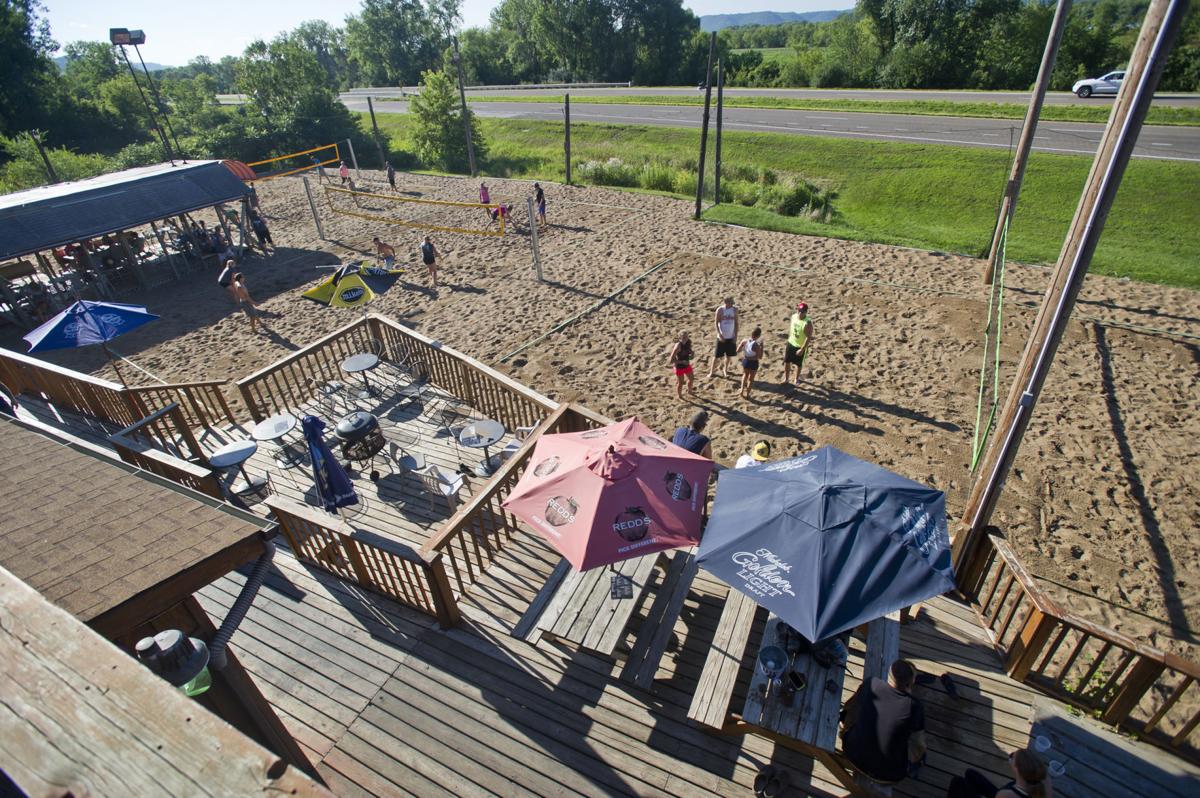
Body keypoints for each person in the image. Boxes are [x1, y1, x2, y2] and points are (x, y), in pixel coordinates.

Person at [841, 659, 927, 788]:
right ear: (910, 683)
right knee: (919, 751)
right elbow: (919, 745)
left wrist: (845, 733)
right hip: (887, 775)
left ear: (888, 676)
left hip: (851, 754)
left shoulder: (871, 684)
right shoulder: (914, 707)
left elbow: (848, 709)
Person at [947, 749, 1051, 798]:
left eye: (1012, 757)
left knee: (957, 782)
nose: (1010, 756)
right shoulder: (1042, 779)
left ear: (1016, 769)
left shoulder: (1007, 794)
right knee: (970, 774)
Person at [783, 301, 814, 387]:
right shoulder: (793, 317)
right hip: (791, 343)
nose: (800, 313)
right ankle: (786, 378)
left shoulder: (807, 323)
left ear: (805, 312)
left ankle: (796, 378)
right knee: (787, 361)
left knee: (798, 364)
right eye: (799, 310)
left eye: (802, 311)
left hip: (800, 346)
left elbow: (808, 337)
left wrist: (802, 349)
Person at [707, 297, 739, 378]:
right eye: (731, 302)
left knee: (728, 356)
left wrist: (735, 336)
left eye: (732, 302)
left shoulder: (735, 310)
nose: (732, 304)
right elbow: (716, 323)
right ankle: (712, 372)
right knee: (717, 356)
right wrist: (720, 334)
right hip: (721, 337)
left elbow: (736, 323)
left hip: (731, 337)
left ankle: (725, 370)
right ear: (726, 302)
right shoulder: (720, 310)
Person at [667, 331, 695, 399]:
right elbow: (671, 360)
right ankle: (680, 396)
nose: (685, 338)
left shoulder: (689, 342)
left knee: (691, 379)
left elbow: (690, 355)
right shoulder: (678, 346)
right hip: (679, 367)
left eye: (686, 336)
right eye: (683, 337)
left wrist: (692, 354)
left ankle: (689, 391)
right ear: (680, 338)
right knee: (681, 383)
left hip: (687, 365)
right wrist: (682, 362)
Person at [739, 326, 764, 399]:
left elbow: (738, 350)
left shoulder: (745, 341)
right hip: (753, 363)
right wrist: (762, 347)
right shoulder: (756, 345)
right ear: (758, 336)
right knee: (751, 379)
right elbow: (760, 357)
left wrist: (746, 351)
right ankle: (747, 394)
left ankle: (741, 391)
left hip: (746, 361)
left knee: (745, 375)